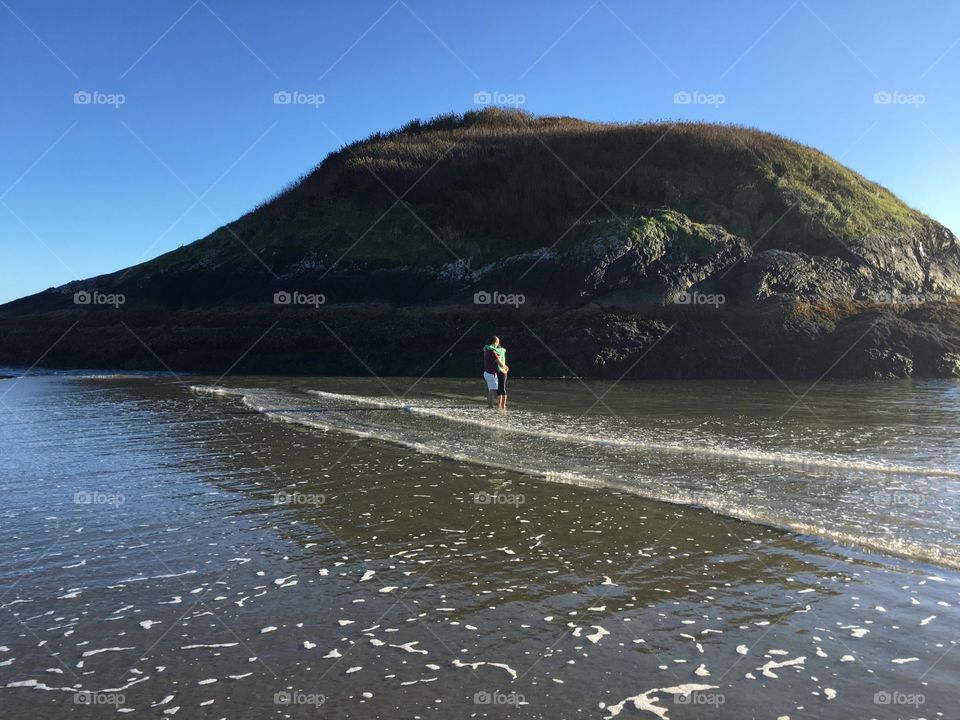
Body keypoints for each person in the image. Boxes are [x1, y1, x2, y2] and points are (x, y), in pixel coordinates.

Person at [482, 336, 507, 409]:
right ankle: (491, 407)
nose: (498, 345)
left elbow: (484, 348)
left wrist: (502, 350)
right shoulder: (492, 352)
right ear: (495, 342)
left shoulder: (486, 349)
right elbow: (499, 362)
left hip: (487, 373)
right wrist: (505, 367)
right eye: (498, 343)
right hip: (491, 373)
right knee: (492, 390)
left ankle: (498, 406)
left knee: (495, 390)